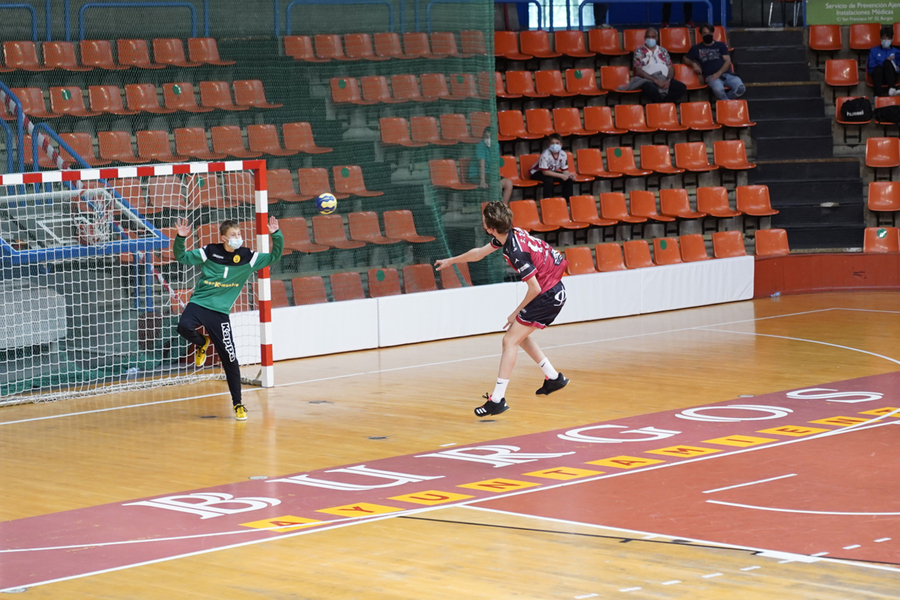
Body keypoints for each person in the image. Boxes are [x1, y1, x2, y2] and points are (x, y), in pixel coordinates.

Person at [435, 202, 569, 417]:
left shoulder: (516, 251)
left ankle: (497, 400)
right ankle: (553, 378)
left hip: (547, 294)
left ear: (490, 228)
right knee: (519, 336)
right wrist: (452, 261)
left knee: (509, 340)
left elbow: (533, 288)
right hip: (552, 289)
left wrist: (515, 311)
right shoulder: (511, 234)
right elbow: (479, 253)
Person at [173, 217, 284, 421]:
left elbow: (274, 257)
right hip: (199, 304)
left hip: (220, 313)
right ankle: (202, 342)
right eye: (233, 235)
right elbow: (181, 257)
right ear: (223, 238)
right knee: (183, 327)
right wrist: (180, 238)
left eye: (239, 234)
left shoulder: (248, 257)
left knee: (230, 359)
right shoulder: (209, 252)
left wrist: (276, 234)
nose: (238, 238)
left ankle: (238, 404)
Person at [684, 23, 745, 101]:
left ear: (713, 33)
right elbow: (685, 59)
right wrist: (694, 64)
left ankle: (724, 103)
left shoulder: (721, 45)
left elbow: (728, 61)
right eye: (705, 33)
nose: (707, 35)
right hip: (711, 76)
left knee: (740, 88)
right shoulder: (696, 48)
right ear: (701, 35)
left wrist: (718, 73)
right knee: (718, 90)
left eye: (709, 33)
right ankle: (727, 105)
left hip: (727, 74)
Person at [625, 27, 687, 103]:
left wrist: (668, 80)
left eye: (653, 37)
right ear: (644, 38)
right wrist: (655, 81)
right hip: (648, 79)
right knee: (651, 89)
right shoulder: (639, 52)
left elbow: (671, 68)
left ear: (657, 38)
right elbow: (638, 71)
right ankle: (662, 106)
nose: (650, 39)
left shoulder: (663, 51)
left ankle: (663, 104)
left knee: (681, 87)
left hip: (664, 78)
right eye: (648, 37)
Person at [469, 128, 513, 202]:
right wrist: (482, 181)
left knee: (508, 183)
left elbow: (495, 163)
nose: (488, 139)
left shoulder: (496, 145)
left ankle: (503, 208)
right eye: (486, 137)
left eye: (490, 137)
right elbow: (481, 165)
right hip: (477, 175)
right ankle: (494, 209)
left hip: (489, 174)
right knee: (496, 185)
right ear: (483, 137)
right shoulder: (480, 146)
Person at [529, 133, 576, 200]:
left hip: (551, 172)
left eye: (557, 143)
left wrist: (569, 175)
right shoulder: (545, 154)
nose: (555, 145)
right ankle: (548, 201)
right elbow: (545, 172)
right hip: (537, 173)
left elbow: (565, 170)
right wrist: (561, 176)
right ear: (549, 144)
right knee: (549, 180)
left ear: (561, 145)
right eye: (552, 143)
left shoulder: (563, 154)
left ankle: (567, 201)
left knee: (568, 180)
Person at [868, 25, 900, 97]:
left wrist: (898, 69)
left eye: (888, 38)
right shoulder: (874, 51)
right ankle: (877, 95)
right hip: (878, 77)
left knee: (887, 63)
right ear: (880, 38)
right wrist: (884, 62)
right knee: (879, 68)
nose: (886, 40)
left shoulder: (897, 52)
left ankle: (892, 89)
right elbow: (870, 66)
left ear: (892, 39)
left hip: (892, 77)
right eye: (884, 38)